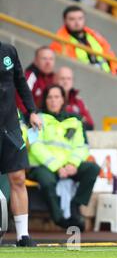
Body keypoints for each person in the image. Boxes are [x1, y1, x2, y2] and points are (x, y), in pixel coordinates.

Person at [27, 85, 100, 231]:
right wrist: (57, 166)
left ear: (63, 100)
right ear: (45, 100)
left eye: (57, 97)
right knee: (47, 181)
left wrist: (72, 164)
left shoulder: (75, 121)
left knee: (92, 169)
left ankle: (75, 206)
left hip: (67, 166)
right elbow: (35, 146)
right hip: (43, 166)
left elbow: (82, 147)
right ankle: (58, 218)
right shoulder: (36, 118)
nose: (53, 101)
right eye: (50, 97)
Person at [0, 41, 42, 246]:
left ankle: (22, 235)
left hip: (10, 124)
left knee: (18, 178)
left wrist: (31, 110)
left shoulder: (8, 50)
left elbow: (20, 82)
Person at [50, 6, 117, 75]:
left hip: (106, 76)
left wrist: (115, 71)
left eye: (80, 18)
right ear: (65, 21)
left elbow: (109, 53)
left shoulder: (94, 35)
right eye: (72, 19)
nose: (77, 22)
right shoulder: (60, 41)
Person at [16, 46, 56, 115]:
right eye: (44, 58)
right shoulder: (30, 76)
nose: (48, 62)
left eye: (51, 59)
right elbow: (20, 99)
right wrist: (30, 115)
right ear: (36, 61)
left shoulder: (55, 78)